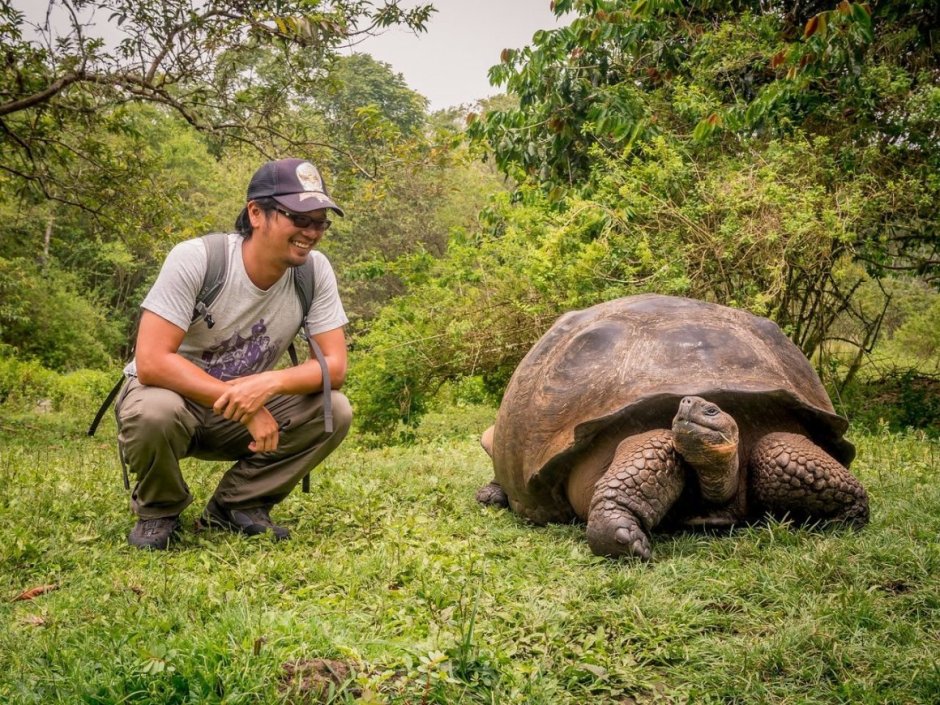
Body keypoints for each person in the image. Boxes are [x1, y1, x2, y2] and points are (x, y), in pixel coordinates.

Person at [115, 158, 353, 549]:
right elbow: (152, 361)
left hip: (236, 414)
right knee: (153, 412)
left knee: (335, 410)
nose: (311, 232)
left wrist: (268, 383)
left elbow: (335, 366)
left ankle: (236, 506)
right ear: (256, 213)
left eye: (320, 221)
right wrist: (249, 406)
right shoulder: (199, 259)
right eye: (298, 218)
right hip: (176, 401)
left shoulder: (314, 272)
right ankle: (160, 510)